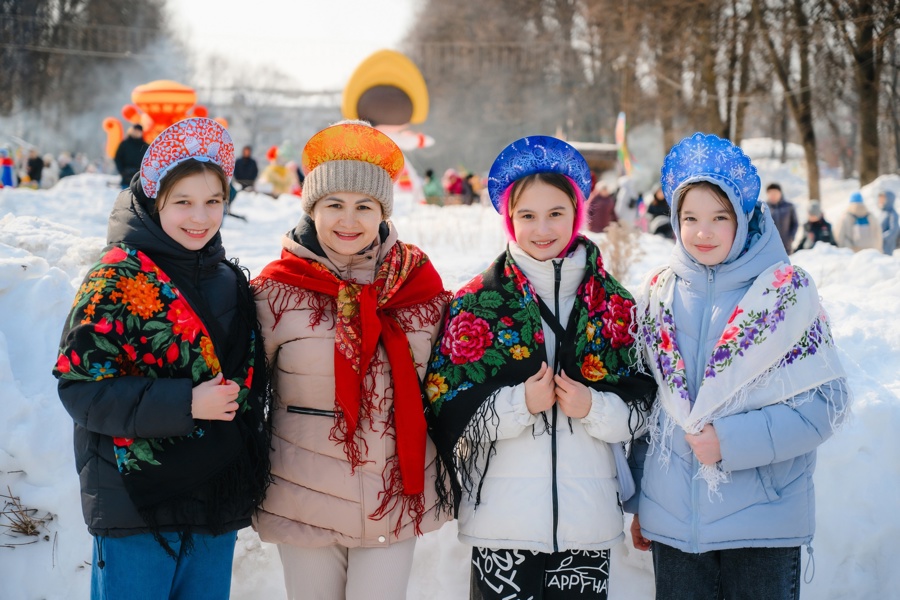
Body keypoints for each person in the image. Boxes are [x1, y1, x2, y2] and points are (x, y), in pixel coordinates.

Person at [425, 136, 656, 600]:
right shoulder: (477, 302)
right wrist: (516, 405)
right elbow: (443, 403)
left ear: (578, 212)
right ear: (509, 217)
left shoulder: (616, 305)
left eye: (556, 213)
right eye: (527, 215)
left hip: (588, 526)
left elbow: (646, 406)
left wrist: (593, 406)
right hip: (500, 527)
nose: (541, 228)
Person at [51, 118, 271, 599]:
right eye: (184, 202)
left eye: (214, 201)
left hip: (214, 500)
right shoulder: (114, 278)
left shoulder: (230, 281)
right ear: (156, 202)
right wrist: (187, 402)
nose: (201, 216)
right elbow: (81, 388)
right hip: (135, 504)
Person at [627, 133, 850, 599]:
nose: (702, 232)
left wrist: (729, 441)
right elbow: (650, 410)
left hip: (763, 527)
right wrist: (642, 503)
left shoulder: (785, 294)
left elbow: (826, 403)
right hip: (674, 532)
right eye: (690, 218)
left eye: (719, 218)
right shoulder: (658, 296)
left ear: (745, 219)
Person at [251, 120, 451, 600]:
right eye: (334, 205)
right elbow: (246, 389)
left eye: (364, 206)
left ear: (382, 212)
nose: (349, 220)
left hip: (394, 493)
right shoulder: (275, 292)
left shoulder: (418, 287)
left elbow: (449, 382)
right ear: (312, 208)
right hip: (304, 495)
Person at [765, 182, 799, 254]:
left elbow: (795, 223)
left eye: (775, 193)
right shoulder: (764, 208)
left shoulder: (789, 207)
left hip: (786, 245)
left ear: (780, 193)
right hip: (769, 247)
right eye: (770, 193)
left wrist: (791, 237)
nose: (773, 196)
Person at [114, 124, 149, 188]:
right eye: (135, 130)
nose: (136, 133)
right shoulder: (124, 144)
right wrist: (122, 171)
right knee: (126, 196)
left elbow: (149, 161)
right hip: (126, 178)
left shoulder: (145, 146)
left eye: (138, 131)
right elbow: (117, 158)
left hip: (140, 179)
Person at [878, 190, 899, 255]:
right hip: (879, 245)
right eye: (880, 199)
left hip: (887, 247)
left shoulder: (892, 214)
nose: (880, 201)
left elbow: (894, 231)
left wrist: (882, 238)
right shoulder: (882, 213)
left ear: (888, 200)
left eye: (883, 198)